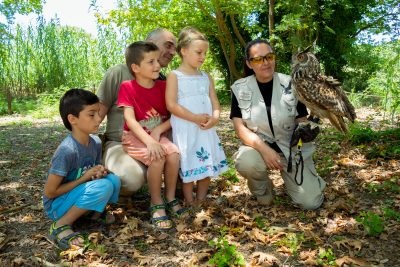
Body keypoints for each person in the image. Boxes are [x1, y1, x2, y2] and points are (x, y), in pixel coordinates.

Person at [230, 39, 326, 210]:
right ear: (249, 63)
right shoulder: (240, 88)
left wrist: (306, 129)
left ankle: (301, 181)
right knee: (247, 161)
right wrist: (264, 150)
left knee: (310, 203)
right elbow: (239, 128)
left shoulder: (292, 83)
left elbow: (301, 118)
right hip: (259, 148)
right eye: (258, 59)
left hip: (290, 149)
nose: (266, 62)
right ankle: (263, 191)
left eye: (269, 57)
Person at [97, 28, 177, 197]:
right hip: (122, 144)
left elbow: (173, 117)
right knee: (131, 179)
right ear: (151, 43)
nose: (172, 52)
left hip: (158, 141)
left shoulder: (165, 82)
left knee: (183, 159)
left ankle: (170, 196)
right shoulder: (119, 73)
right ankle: (109, 189)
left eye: (174, 48)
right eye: (168, 46)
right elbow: (96, 116)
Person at [117, 41, 186, 230]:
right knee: (157, 157)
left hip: (156, 135)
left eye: (157, 60)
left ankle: (170, 197)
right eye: (151, 62)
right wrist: (149, 141)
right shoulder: (127, 87)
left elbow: (175, 115)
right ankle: (156, 202)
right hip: (135, 136)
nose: (157, 65)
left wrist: (158, 130)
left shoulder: (164, 86)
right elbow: (130, 120)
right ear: (135, 67)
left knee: (173, 154)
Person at [44, 89, 121, 250]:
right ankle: (61, 225)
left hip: (78, 194)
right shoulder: (67, 151)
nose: (99, 119)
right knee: (104, 186)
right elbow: (50, 193)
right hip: (57, 206)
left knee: (113, 180)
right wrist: (84, 178)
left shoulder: (95, 142)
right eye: (92, 114)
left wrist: (99, 172)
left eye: (98, 113)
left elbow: (91, 173)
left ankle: (92, 214)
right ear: (73, 119)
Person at [166, 27, 228, 206]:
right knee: (189, 164)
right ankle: (189, 200)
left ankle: (201, 199)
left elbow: (214, 101)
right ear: (184, 51)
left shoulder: (205, 76)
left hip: (206, 128)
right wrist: (194, 118)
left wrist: (215, 118)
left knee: (206, 163)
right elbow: (171, 104)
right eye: (199, 52)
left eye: (205, 53)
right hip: (187, 128)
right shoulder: (175, 76)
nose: (203, 56)